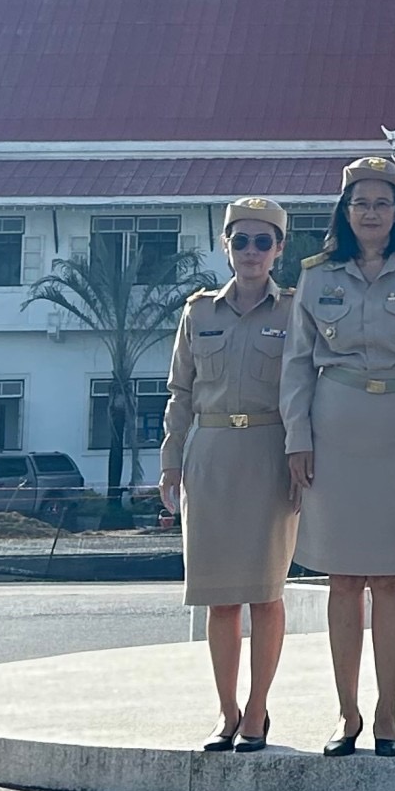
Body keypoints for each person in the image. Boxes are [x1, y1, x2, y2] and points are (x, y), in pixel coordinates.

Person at [282, 156, 395, 758]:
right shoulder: (317, 276)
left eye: (383, 203)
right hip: (333, 431)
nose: (371, 213)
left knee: (391, 575)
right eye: (361, 203)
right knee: (343, 577)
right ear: (345, 211)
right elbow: (297, 364)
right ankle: (346, 712)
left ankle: (387, 711)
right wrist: (296, 437)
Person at [161, 197, 301, 754]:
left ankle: (258, 711)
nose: (250, 252)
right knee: (220, 598)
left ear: (279, 249)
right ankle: (226, 711)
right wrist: (171, 462)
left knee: (266, 594)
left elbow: (305, 392)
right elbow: (180, 394)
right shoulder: (199, 313)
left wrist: (303, 455)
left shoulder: (295, 311)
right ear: (226, 246)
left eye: (262, 242)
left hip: (272, 452)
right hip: (212, 454)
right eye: (240, 241)